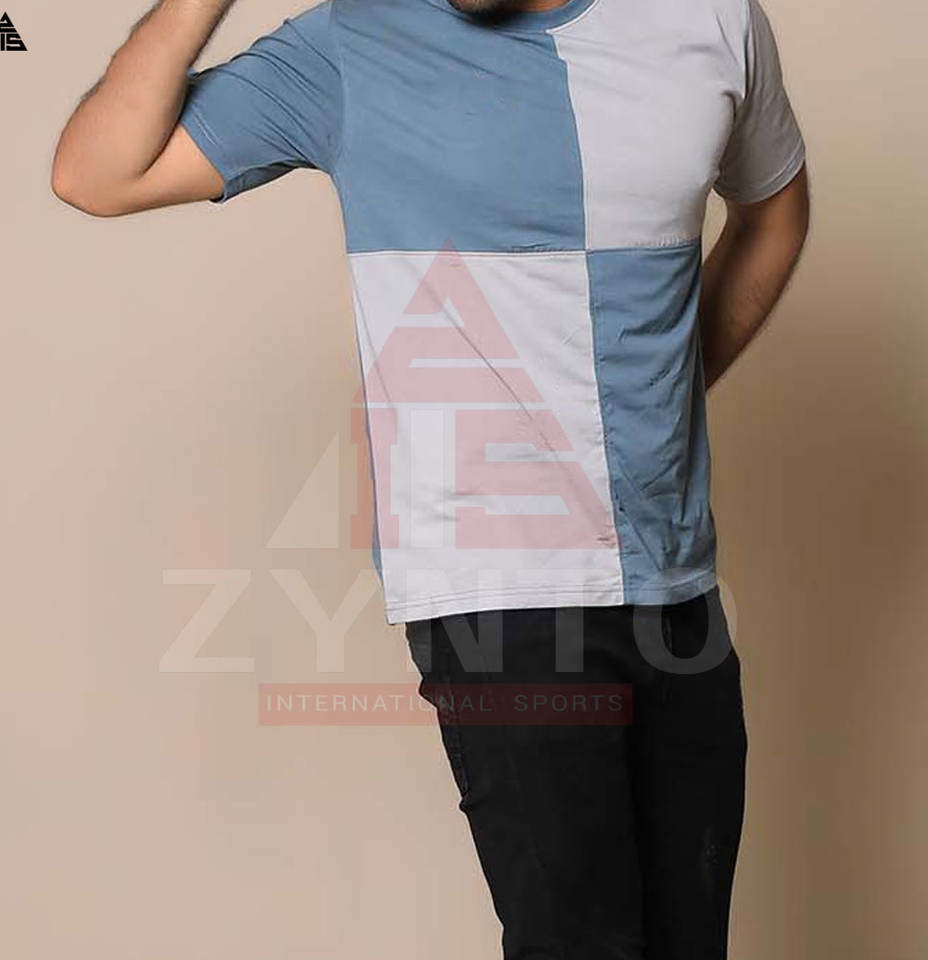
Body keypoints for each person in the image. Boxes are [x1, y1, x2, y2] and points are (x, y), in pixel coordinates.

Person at [51, 0, 810, 954]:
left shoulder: (707, 20)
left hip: (675, 578)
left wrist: (667, 396)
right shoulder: (353, 43)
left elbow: (774, 209)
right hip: (497, 594)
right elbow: (96, 174)